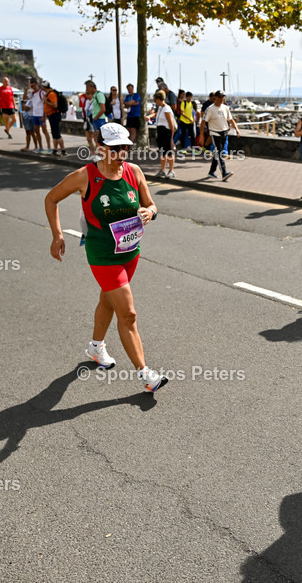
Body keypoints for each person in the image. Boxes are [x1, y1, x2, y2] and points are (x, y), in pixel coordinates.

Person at [44, 122, 167, 393]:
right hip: (102, 254)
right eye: (114, 148)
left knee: (108, 300)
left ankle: (96, 347)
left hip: (130, 251)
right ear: (99, 148)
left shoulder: (134, 172)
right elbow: (51, 199)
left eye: (125, 147)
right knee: (129, 314)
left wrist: (150, 213)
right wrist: (57, 235)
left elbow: (152, 205)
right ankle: (145, 374)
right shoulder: (84, 176)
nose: (121, 152)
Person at [201, 90, 239, 181]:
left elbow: (231, 120)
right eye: (221, 97)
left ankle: (211, 172)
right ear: (216, 98)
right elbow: (203, 122)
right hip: (215, 133)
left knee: (218, 153)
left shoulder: (225, 108)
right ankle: (224, 173)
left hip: (224, 133)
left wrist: (237, 129)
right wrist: (201, 135)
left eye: (223, 97)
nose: (222, 98)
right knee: (219, 153)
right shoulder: (210, 109)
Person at [152, 90, 178, 178]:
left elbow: (171, 124)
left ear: (159, 99)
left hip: (166, 132)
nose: (155, 102)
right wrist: (150, 116)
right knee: (163, 152)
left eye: (155, 100)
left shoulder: (166, 109)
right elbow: (156, 114)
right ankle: (162, 170)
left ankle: (171, 170)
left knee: (169, 152)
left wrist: (171, 137)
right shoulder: (160, 108)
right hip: (160, 132)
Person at [84, 80, 108, 153]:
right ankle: (99, 154)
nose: (86, 90)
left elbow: (103, 108)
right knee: (96, 138)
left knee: (100, 138)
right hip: (97, 119)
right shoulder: (95, 95)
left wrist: (96, 116)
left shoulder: (98, 95)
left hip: (99, 119)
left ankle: (102, 154)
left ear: (91, 87)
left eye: (87, 87)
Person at [23, 78, 46, 153]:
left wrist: (44, 115)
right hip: (32, 115)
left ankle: (39, 147)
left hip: (35, 115)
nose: (32, 88)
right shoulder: (32, 95)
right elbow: (24, 99)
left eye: (33, 86)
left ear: (37, 85)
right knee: (30, 132)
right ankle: (35, 147)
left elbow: (26, 107)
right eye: (31, 86)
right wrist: (27, 89)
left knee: (35, 132)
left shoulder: (40, 93)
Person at [44, 82, 65, 155]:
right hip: (51, 115)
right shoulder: (49, 94)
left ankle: (63, 150)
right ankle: (55, 149)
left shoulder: (51, 94)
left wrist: (46, 101)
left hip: (54, 115)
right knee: (54, 133)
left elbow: (55, 105)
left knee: (57, 133)